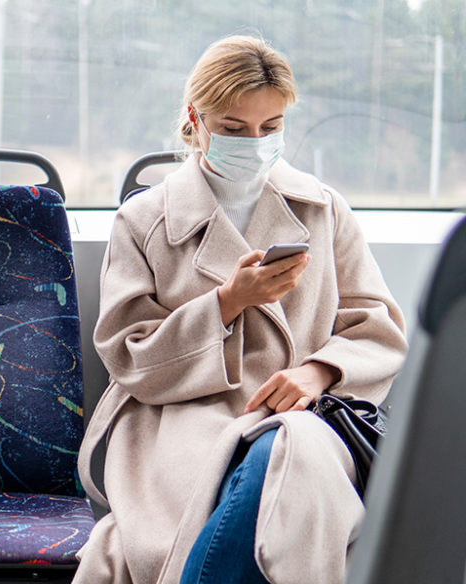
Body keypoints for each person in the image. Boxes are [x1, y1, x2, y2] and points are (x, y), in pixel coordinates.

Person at [74, 36, 407, 584]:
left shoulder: (323, 210)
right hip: (178, 422)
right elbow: (128, 356)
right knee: (276, 472)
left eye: (270, 127)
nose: (254, 142)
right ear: (195, 119)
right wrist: (230, 301)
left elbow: (377, 328)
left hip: (303, 413)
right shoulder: (143, 222)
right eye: (233, 128)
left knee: (289, 452)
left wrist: (316, 371)